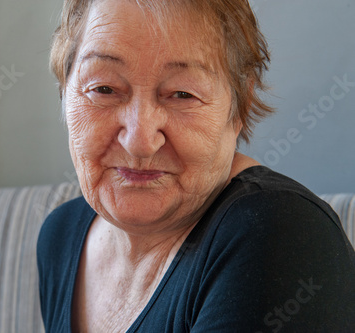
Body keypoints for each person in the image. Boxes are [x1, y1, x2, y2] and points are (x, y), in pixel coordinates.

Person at [37, 0, 355, 331]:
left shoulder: (281, 232)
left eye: (182, 94)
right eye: (104, 89)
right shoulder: (60, 236)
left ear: (239, 109)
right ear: (64, 92)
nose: (140, 140)